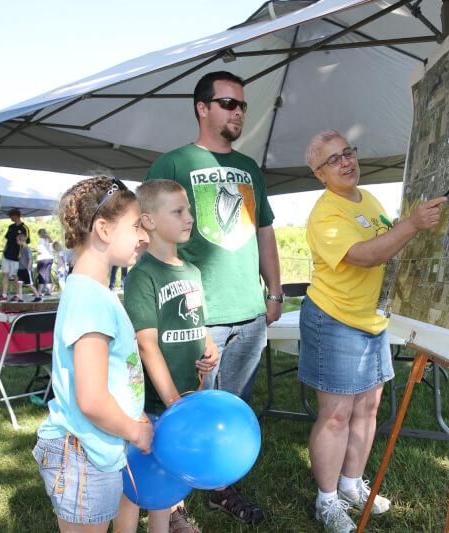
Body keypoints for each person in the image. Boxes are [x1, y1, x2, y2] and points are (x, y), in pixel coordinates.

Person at [144, 70, 281, 525]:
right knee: (183, 409)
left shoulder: (250, 168)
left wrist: (274, 291)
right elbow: (152, 233)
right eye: (228, 103)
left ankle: (219, 487)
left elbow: (264, 231)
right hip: (196, 316)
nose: (238, 112)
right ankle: (171, 503)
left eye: (242, 105)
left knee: (230, 409)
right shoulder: (174, 163)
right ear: (202, 108)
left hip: (249, 313)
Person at [299, 130, 446, 533]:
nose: (346, 162)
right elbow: (365, 256)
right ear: (319, 174)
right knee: (336, 415)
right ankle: (326, 501)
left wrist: (401, 228)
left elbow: (384, 239)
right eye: (334, 160)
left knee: (367, 409)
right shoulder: (325, 213)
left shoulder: (369, 200)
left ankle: (350, 486)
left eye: (348, 153)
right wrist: (411, 226)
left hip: (372, 320)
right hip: (336, 320)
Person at [32, 176, 153, 533]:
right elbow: (91, 399)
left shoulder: (94, 292)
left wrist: (134, 416)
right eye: (135, 226)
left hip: (98, 445)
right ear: (103, 229)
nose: (144, 236)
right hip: (81, 453)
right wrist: (134, 430)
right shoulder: (89, 300)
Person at [122, 179, 219, 533]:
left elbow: (196, 320)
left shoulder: (191, 270)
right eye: (177, 211)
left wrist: (210, 346)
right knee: (138, 485)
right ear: (148, 221)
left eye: (188, 210)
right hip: (155, 401)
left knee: (165, 483)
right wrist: (173, 402)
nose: (189, 217)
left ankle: (165, 526)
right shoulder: (142, 275)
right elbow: (146, 344)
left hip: (186, 395)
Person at [0, 208, 30, 302]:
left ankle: (17, 295)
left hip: (17, 257)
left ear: (16, 216)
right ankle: (3, 294)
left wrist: (23, 258)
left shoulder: (24, 228)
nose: (10, 217)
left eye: (11, 216)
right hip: (7, 255)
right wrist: (4, 251)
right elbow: (7, 240)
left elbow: (26, 242)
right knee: (4, 274)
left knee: (16, 276)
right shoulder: (11, 227)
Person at [16, 234, 43, 303]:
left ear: (21, 240)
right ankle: (20, 299)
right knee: (19, 284)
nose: (17, 242)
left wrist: (27, 269)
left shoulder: (27, 249)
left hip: (26, 270)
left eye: (18, 240)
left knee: (29, 285)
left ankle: (38, 297)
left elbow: (30, 260)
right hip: (21, 269)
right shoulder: (21, 248)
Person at [35, 228, 55, 295]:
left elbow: (40, 250)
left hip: (43, 258)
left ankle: (39, 291)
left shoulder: (41, 240)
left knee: (41, 274)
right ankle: (49, 290)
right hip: (50, 258)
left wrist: (36, 249)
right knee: (47, 274)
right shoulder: (49, 241)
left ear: (40, 234)